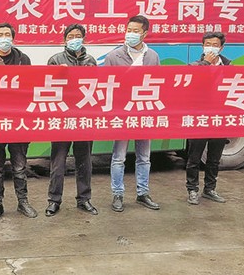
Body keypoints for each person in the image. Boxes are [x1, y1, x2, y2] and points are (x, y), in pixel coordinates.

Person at [0, 23, 37, 221]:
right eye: (0, 35)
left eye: (7, 34)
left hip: (18, 123)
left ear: (13, 38)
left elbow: (30, 88)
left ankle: (23, 201)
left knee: (19, 166)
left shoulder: (23, 60)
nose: (4, 38)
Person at [104, 15, 161, 212]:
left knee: (144, 157)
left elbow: (158, 84)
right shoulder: (114, 56)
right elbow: (106, 86)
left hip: (144, 113)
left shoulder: (152, 56)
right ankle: (117, 194)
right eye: (129, 30)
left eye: (136, 31)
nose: (131, 34)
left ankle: (143, 193)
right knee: (119, 157)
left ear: (145, 33)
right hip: (122, 114)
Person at [45, 24, 98, 217]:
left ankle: (84, 199)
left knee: (84, 161)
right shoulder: (55, 60)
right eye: (70, 36)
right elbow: (48, 87)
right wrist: (59, 74)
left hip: (84, 118)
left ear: (84, 39)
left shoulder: (91, 61)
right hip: (62, 118)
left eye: (78, 36)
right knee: (58, 162)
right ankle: (54, 200)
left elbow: (97, 88)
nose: (74, 39)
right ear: (64, 39)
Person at [185, 32, 230, 205]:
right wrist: (206, 64)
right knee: (194, 157)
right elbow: (191, 83)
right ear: (202, 46)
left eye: (215, 45)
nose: (211, 48)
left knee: (214, 158)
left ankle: (210, 189)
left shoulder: (228, 66)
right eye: (208, 44)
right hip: (199, 118)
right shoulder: (194, 65)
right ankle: (192, 189)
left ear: (221, 48)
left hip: (220, 118)